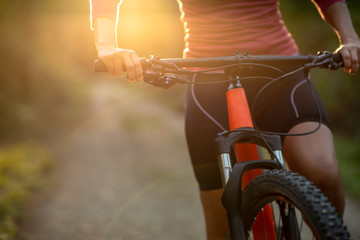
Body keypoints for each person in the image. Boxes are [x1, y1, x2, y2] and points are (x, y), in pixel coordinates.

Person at [90, 0, 360, 239]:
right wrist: (106, 45)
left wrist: (349, 38)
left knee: (323, 172)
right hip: (208, 82)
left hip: (280, 72)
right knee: (222, 221)